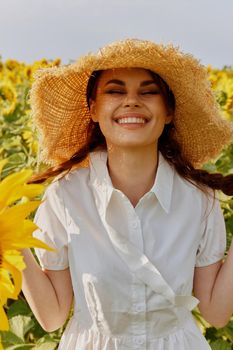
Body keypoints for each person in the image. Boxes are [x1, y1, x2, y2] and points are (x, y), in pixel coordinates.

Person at [22, 39, 233, 350]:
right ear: (93, 109)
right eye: (115, 91)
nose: (131, 101)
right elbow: (52, 317)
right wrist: (9, 239)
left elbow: (215, 313)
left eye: (148, 92)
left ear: (169, 111)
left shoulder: (199, 199)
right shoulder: (66, 196)